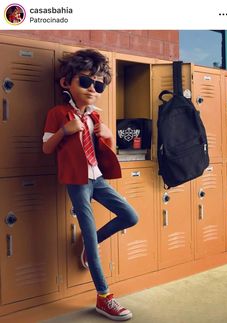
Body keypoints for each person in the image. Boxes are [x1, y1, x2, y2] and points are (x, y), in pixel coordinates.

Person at [42, 49, 138, 321]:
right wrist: (64, 131)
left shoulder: (95, 116)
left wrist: (108, 136)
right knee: (94, 245)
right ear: (66, 83)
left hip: (98, 178)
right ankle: (104, 297)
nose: (92, 89)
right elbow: (47, 149)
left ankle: (88, 240)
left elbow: (103, 149)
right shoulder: (58, 113)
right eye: (85, 82)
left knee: (131, 216)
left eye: (98, 84)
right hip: (77, 181)